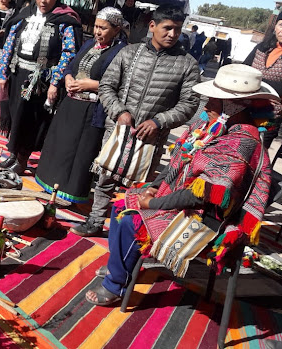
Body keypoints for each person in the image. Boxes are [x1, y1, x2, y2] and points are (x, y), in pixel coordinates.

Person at [84, 64, 275, 305]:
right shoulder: (209, 126)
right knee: (123, 204)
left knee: (130, 220)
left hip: (207, 218)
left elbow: (204, 195)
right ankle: (122, 267)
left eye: (214, 102)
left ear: (235, 106)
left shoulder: (240, 142)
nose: (206, 107)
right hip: (180, 199)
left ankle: (115, 285)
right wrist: (154, 186)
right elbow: (179, 159)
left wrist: (155, 202)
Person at [71, 4, 199, 237]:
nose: (173, 34)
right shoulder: (129, 53)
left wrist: (159, 122)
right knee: (105, 177)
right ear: (152, 26)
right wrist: (120, 112)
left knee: (142, 185)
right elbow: (107, 86)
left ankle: (130, 231)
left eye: (178, 30)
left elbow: (189, 104)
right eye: (167, 28)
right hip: (119, 128)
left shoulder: (187, 63)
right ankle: (96, 220)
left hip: (152, 136)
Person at [35, 7, 127, 203]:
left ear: (116, 30)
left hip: (92, 110)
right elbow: (71, 65)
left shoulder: (121, 53)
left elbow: (123, 85)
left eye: (103, 28)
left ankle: (69, 193)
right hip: (71, 105)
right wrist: (67, 77)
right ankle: (51, 186)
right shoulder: (89, 44)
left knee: (78, 154)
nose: (98, 32)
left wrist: (92, 85)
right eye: (96, 26)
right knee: (59, 147)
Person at [0, 0, 82, 175]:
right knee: (16, 113)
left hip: (41, 79)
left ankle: (22, 158)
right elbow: (9, 43)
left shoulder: (65, 20)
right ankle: (13, 152)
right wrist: (3, 74)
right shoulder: (25, 14)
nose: (44, 0)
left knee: (31, 118)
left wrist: (55, 82)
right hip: (17, 73)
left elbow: (69, 54)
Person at [243, 12, 282, 148]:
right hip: (244, 107)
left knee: (256, 154)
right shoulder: (262, 48)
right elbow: (243, 69)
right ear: (275, 26)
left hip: (271, 114)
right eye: (281, 25)